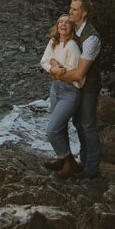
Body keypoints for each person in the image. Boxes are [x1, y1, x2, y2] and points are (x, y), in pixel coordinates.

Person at [50, 0, 102, 179]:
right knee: (77, 123)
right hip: (72, 85)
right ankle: (79, 160)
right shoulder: (73, 30)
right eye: (70, 8)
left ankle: (92, 168)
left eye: (74, 9)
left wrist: (58, 74)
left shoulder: (91, 39)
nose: (70, 11)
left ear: (84, 13)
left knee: (88, 125)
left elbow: (80, 73)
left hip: (87, 87)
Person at [40, 14, 83, 177]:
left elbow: (72, 72)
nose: (63, 24)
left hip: (69, 91)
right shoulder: (54, 41)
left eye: (67, 22)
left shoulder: (72, 46)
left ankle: (69, 161)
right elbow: (44, 60)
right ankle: (62, 158)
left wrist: (56, 72)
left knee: (52, 130)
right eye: (60, 22)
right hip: (56, 88)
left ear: (72, 28)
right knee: (61, 127)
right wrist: (52, 66)